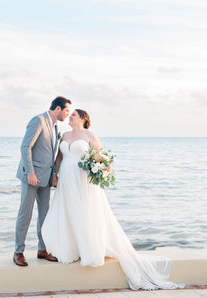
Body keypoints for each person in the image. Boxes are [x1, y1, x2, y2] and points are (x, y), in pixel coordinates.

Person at [42, 109, 185, 290]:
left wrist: (100, 168)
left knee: (85, 213)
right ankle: (71, 248)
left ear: (83, 119)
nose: (69, 117)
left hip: (84, 181)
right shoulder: (65, 135)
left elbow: (100, 159)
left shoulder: (89, 135)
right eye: (69, 115)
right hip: (66, 181)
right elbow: (59, 158)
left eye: (73, 115)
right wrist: (55, 175)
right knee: (68, 211)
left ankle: (89, 250)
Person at [13, 96, 71, 267]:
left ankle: (42, 249)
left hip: (45, 179)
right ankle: (18, 252)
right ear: (58, 109)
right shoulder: (38, 120)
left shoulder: (55, 126)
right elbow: (25, 147)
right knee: (26, 214)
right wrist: (30, 172)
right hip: (31, 178)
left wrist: (54, 174)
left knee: (45, 215)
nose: (67, 114)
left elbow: (50, 155)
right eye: (67, 110)